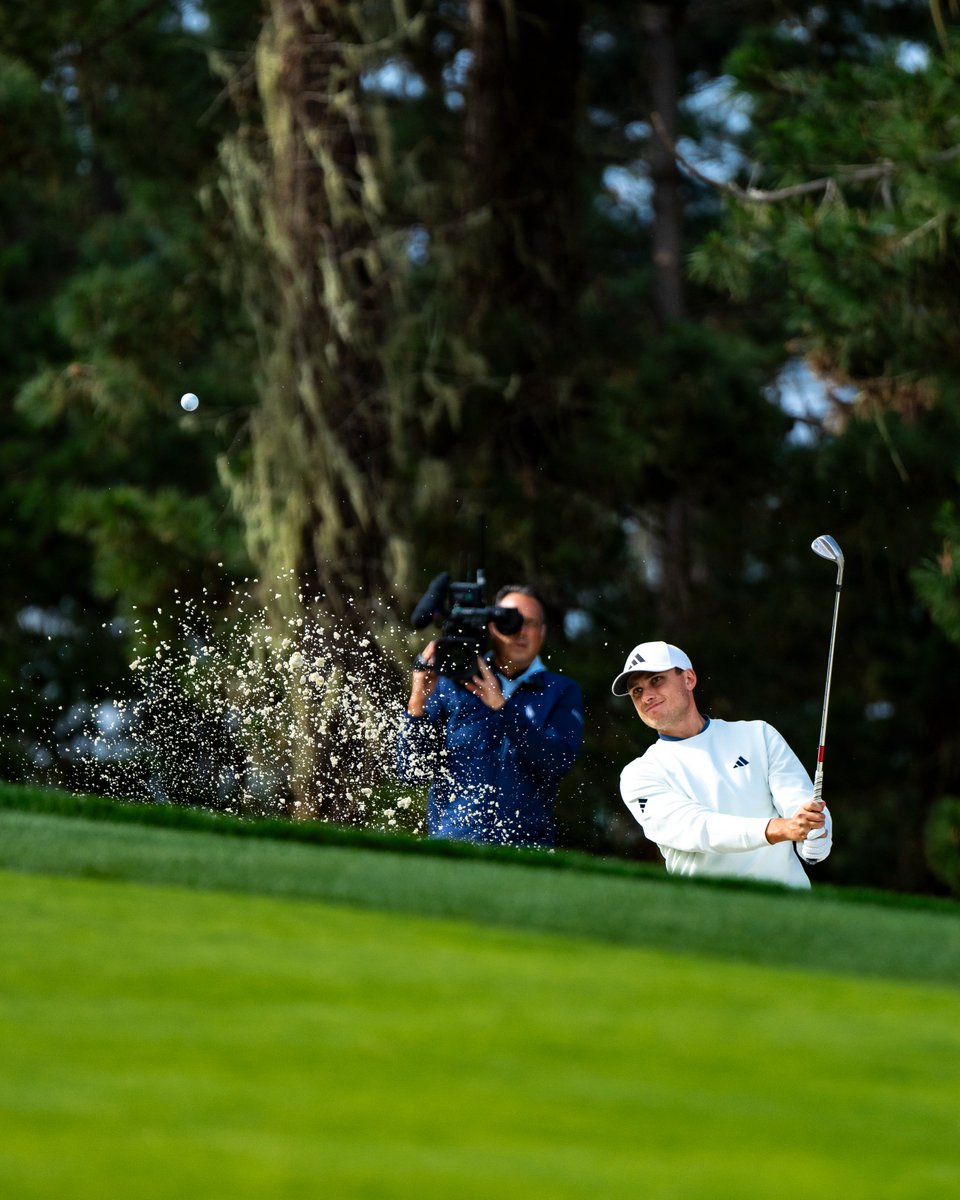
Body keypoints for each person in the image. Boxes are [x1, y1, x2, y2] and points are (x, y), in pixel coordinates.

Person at [612, 640, 831, 888]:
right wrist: (780, 828)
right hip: (709, 917)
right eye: (636, 691)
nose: (647, 696)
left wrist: (816, 835)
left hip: (792, 907)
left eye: (656, 681)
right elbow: (699, 829)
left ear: (689, 679)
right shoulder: (639, 775)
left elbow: (800, 803)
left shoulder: (758, 735)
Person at [396, 585, 584, 847]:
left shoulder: (561, 691)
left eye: (529, 623)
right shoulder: (452, 682)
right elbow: (410, 773)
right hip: (452, 846)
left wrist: (503, 709)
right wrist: (417, 703)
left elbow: (557, 761)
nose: (520, 631)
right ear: (492, 627)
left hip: (526, 852)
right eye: (509, 622)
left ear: (543, 631)